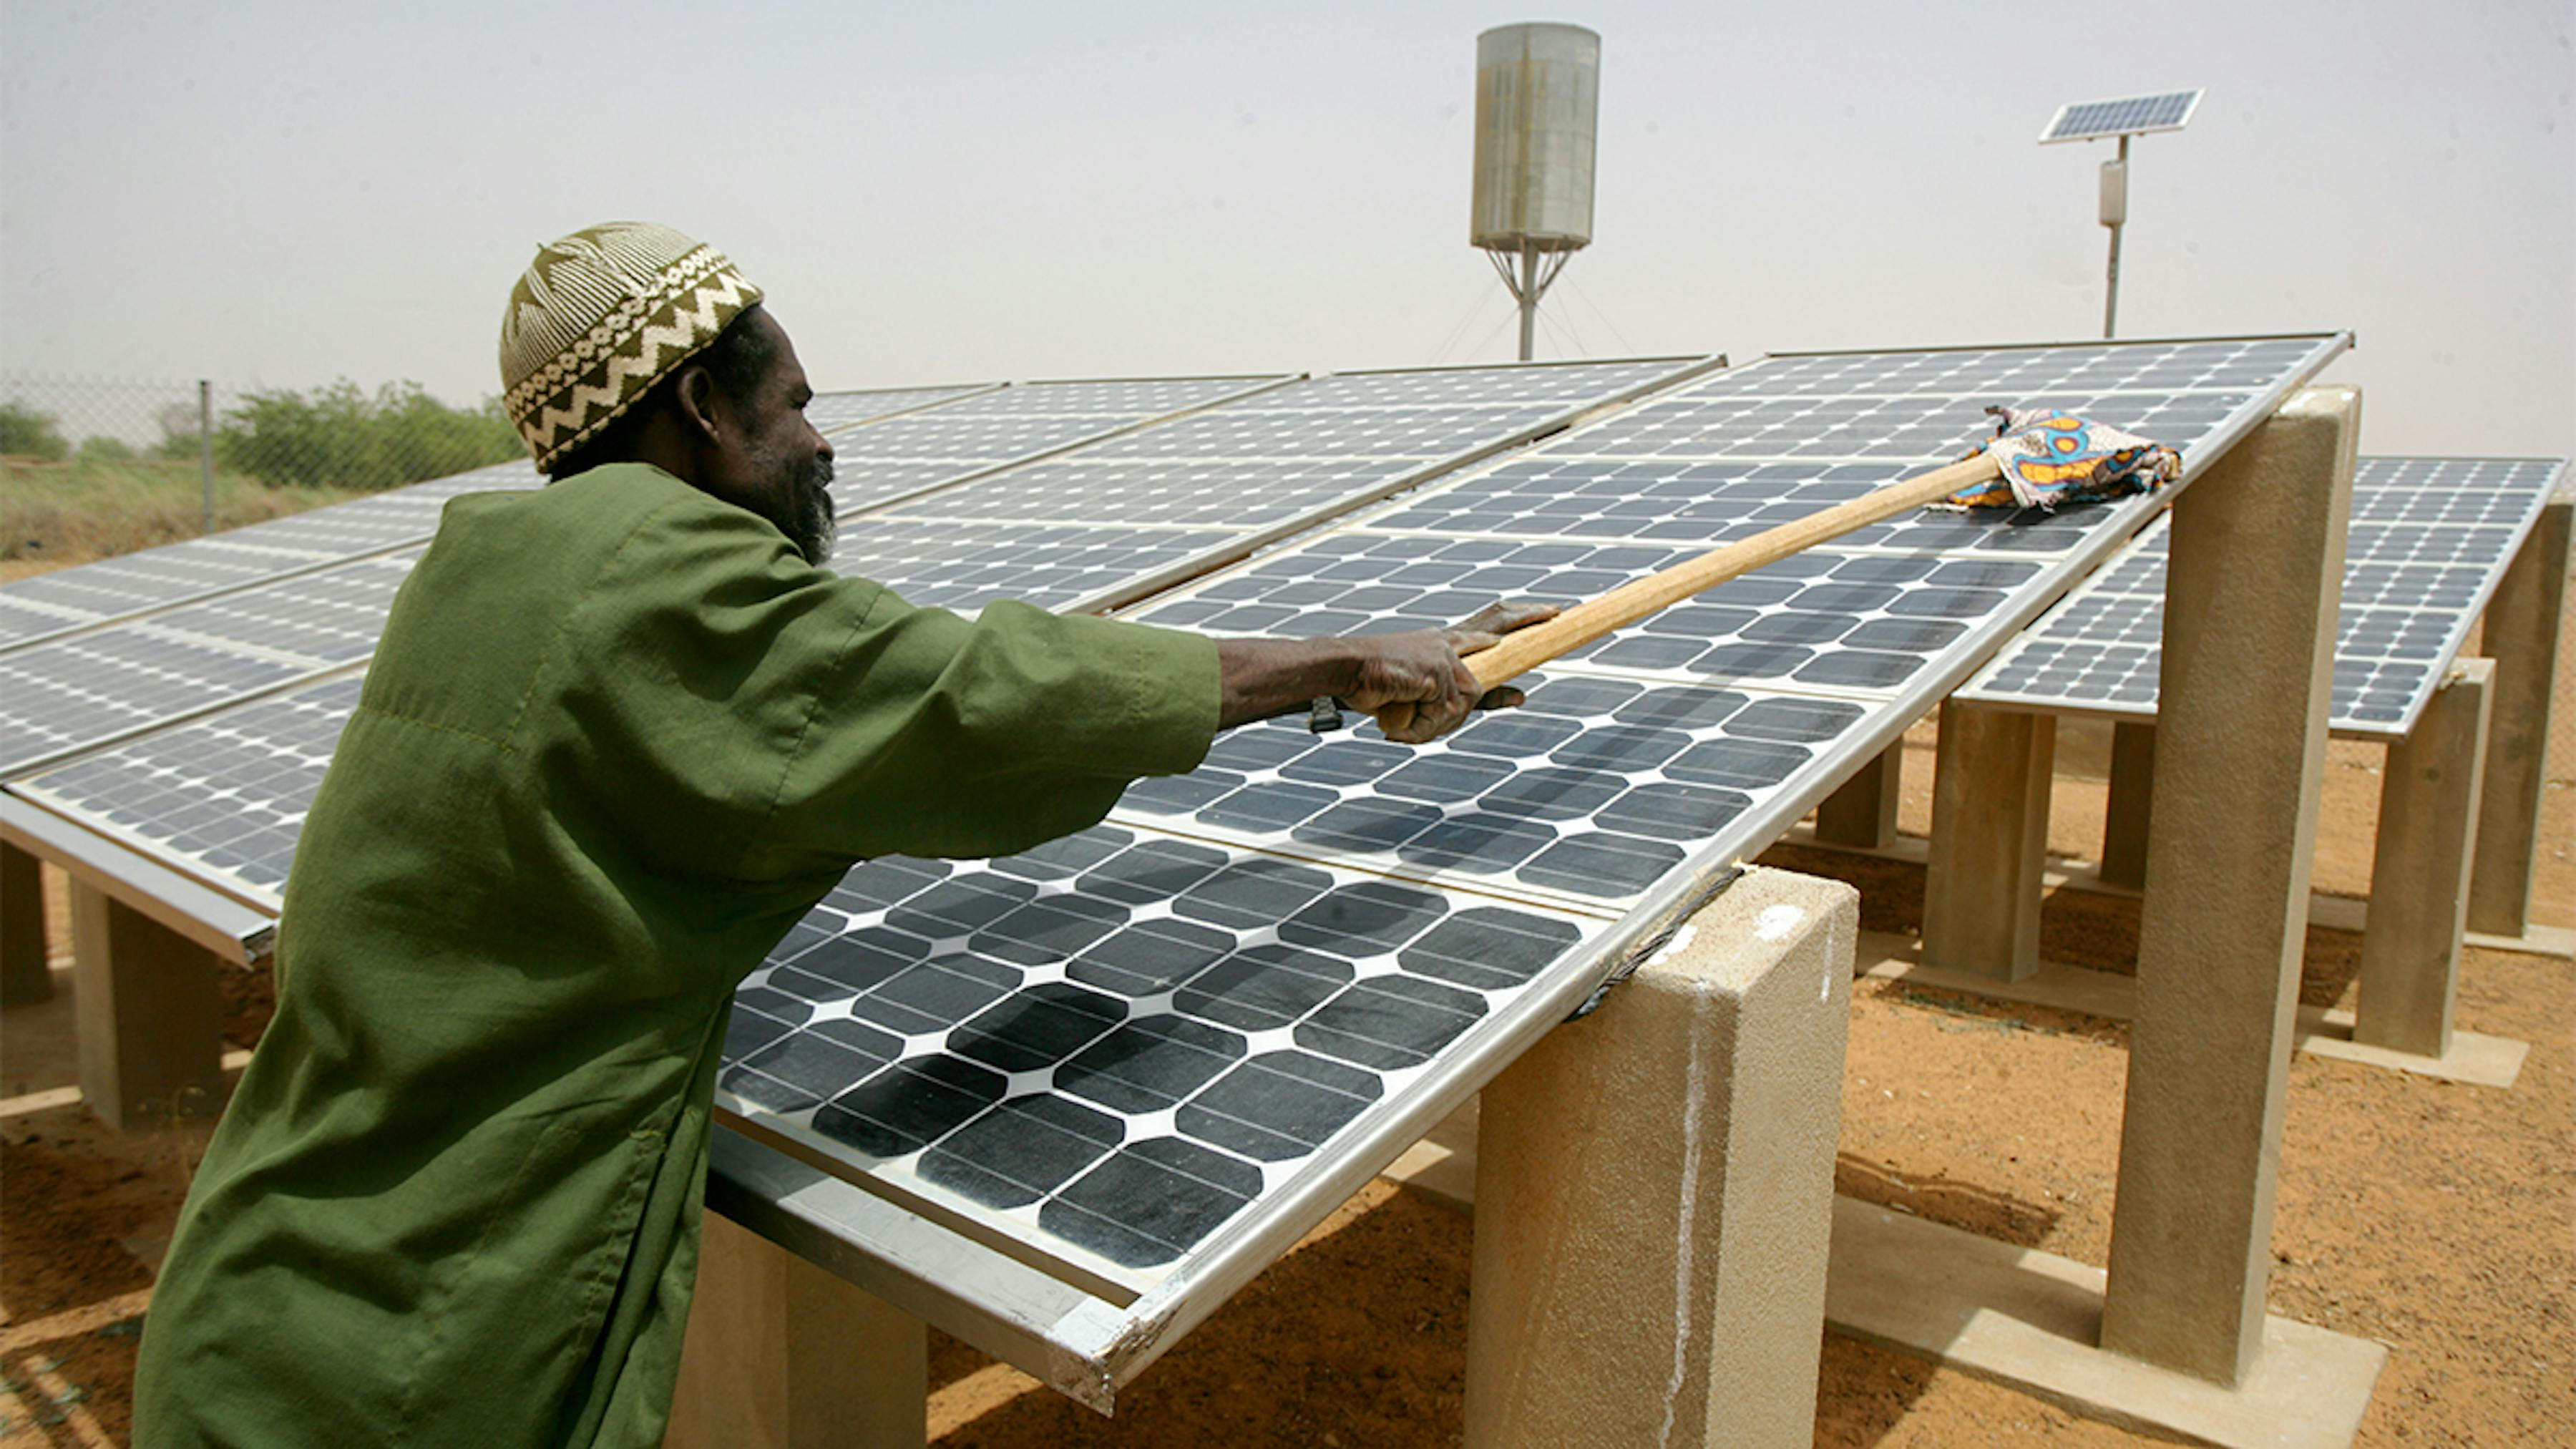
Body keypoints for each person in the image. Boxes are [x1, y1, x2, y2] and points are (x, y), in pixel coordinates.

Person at [130, 221, 1552, 1448]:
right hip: (414, 1340)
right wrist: (1351, 660)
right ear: (697, 401)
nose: (822, 438)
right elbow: (980, 699)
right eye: (797, 403)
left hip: (270, 1288)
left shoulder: (493, 567)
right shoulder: (662, 577)